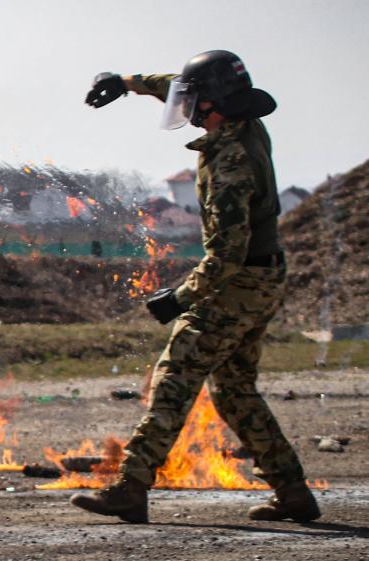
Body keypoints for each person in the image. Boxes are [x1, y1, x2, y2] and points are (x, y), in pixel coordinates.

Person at [71, 50, 320, 523]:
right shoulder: (242, 123)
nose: (186, 109)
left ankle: (131, 487)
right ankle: (293, 494)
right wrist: (127, 82)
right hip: (264, 276)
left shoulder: (232, 164)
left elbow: (226, 254)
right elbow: (177, 84)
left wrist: (182, 297)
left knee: (174, 381)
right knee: (235, 391)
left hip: (236, 281)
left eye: (195, 102)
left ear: (214, 104)